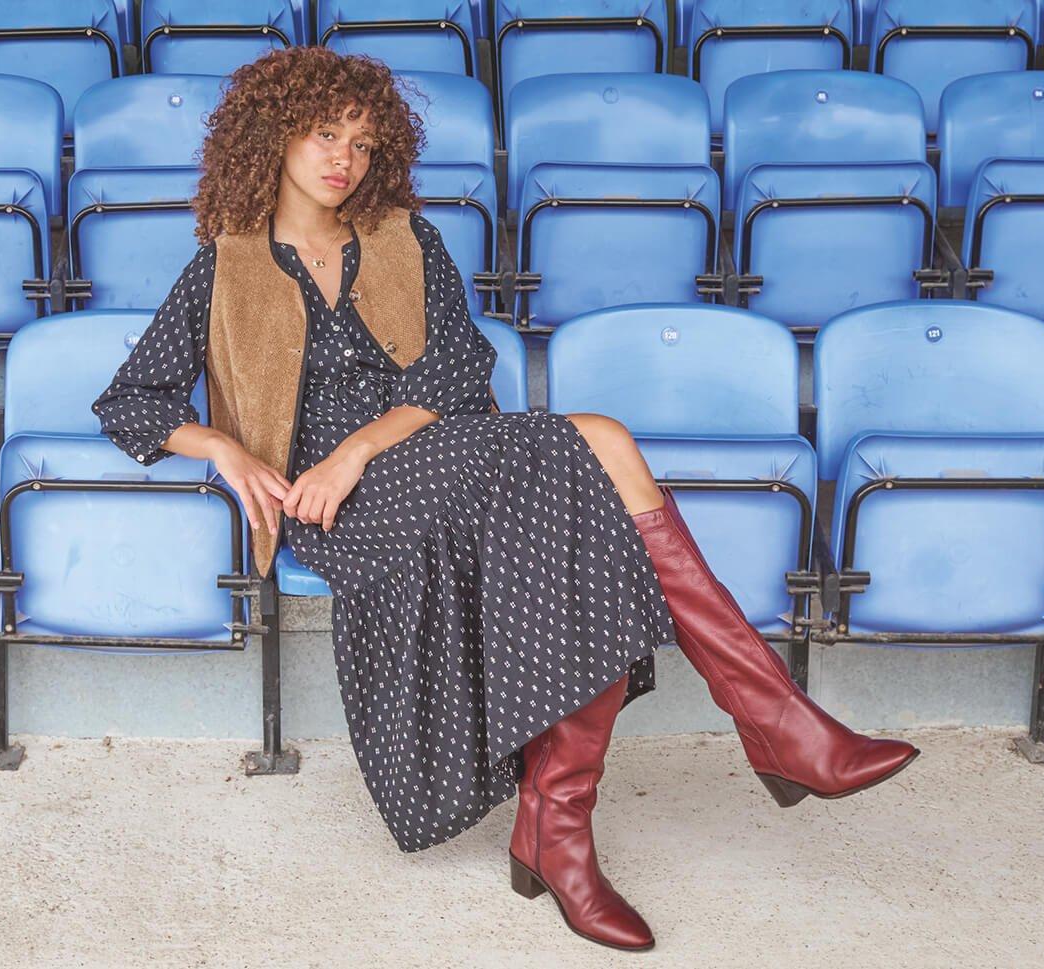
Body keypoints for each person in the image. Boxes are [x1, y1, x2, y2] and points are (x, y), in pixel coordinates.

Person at [93, 46, 919, 952]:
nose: (345, 159)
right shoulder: (227, 265)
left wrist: (359, 448)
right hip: (339, 510)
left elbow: (457, 368)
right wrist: (227, 451)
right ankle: (760, 730)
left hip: (418, 455)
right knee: (596, 442)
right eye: (325, 135)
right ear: (273, 137)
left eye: (365, 144)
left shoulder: (409, 239)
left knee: (588, 471)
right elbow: (130, 399)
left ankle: (573, 825)